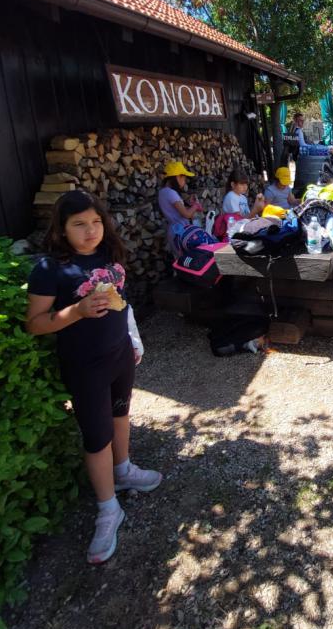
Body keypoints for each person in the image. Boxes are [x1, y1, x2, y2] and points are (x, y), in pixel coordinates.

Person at [25, 190, 161, 565]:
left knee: (120, 415)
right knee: (97, 437)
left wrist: (132, 339)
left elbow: (121, 303)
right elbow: (35, 323)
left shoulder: (110, 255)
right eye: (79, 224)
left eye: (96, 222)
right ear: (61, 229)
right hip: (84, 365)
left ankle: (123, 470)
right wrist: (77, 311)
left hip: (120, 354)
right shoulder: (49, 269)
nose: (91, 231)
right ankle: (107, 508)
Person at [158, 161, 202, 253]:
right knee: (189, 258)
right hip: (181, 232)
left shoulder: (162, 192)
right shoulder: (171, 193)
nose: (184, 182)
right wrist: (195, 206)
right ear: (178, 177)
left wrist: (188, 205)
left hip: (174, 230)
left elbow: (176, 211)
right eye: (184, 178)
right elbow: (186, 214)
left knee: (180, 259)